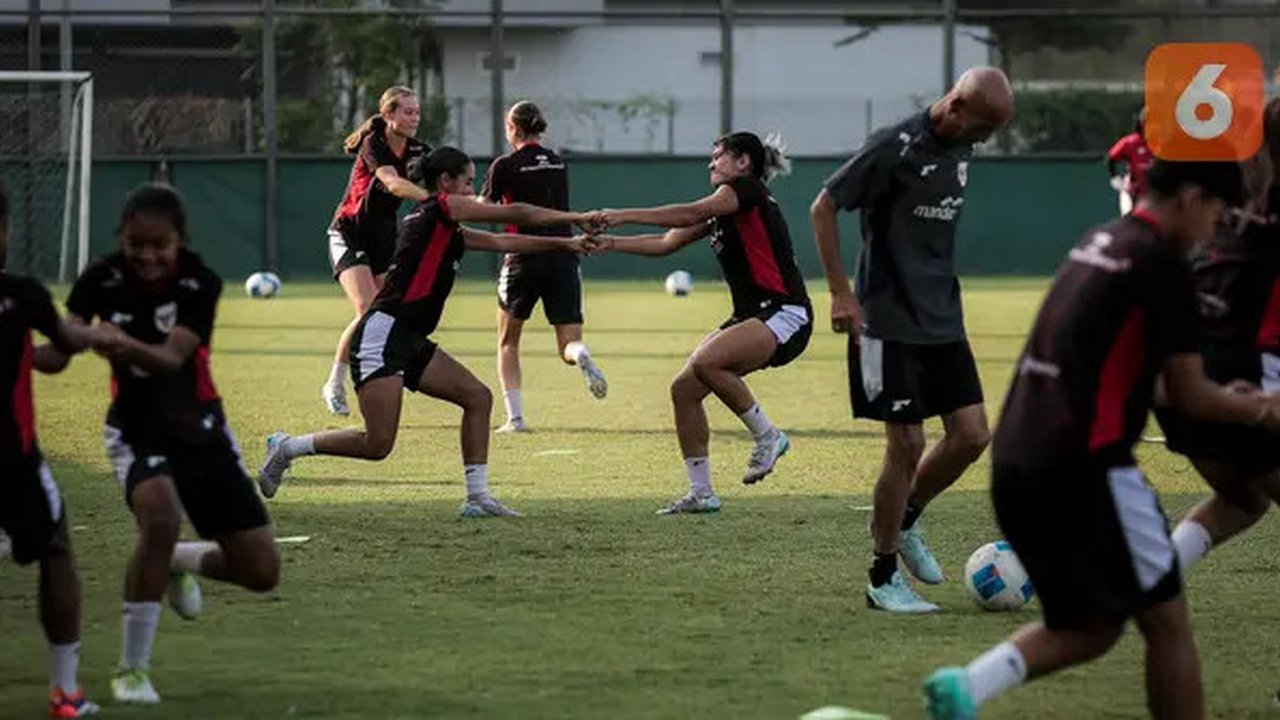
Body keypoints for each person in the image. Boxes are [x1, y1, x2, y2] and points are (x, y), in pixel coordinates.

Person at [922, 160, 1280, 720]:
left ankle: (967, 686)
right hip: (1087, 468)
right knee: (1167, 625)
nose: (1218, 229)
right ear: (1190, 197)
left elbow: (1153, 380)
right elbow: (1188, 396)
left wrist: (1224, 393)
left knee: (1090, 627)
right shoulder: (1162, 265)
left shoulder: (1101, 241)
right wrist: (1260, 407)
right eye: (1217, 212)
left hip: (1016, 459)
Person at [259, 147, 597, 517]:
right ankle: (287, 448)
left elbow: (504, 241)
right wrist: (575, 217)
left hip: (410, 338)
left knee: (478, 398)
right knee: (377, 444)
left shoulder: (445, 226)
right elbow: (515, 214)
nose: (473, 191)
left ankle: (477, 498)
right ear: (445, 183)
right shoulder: (439, 210)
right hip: (383, 336)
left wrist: (567, 243)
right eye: (468, 183)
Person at [54, 184, 281, 705]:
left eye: (159, 245)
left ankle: (180, 560)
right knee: (159, 515)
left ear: (180, 240)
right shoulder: (102, 277)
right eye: (136, 243)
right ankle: (131, 672)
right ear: (122, 239)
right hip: (136, 428)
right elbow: (62, 344)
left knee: (260, 571)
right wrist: (46, 335)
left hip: (200, 428)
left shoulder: (200, 282)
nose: (147, 256)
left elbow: (172, 358)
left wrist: (114, 340)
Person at [809, 67, 1014, 612]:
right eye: (984, 128)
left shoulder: (961, 144)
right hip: (884, 322)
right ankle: (881, 577)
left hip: (942, 316)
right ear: (955, 106)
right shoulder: (891, 147)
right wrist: (839, 294)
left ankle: (906, 520)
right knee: (907, 445)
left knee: (971, 436)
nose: (986, 141)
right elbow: (823, 206)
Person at [591, 131, 811, 514]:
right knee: (683, 390)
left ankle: (768, 436)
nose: (711, 163)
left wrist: (621, 215)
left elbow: (689, 212)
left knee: (707, 362)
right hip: (753, 315)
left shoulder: (745, 190)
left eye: (718, 156)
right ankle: (702, 492)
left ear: (743, 163)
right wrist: (613, 243)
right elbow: (665, 244)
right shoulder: (725, 207)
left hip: (784, 312)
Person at [1156, 98, 1280, 575]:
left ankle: (1155, 581)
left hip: (1175, 375)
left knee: (1244, 499)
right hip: (1235, 383)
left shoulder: (1227, 186)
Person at [0, 182, 105, 717]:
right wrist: (98, 333)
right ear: (5, 232)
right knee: (57, 547)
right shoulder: (20, 293)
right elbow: (63, 348)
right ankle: (64, 691)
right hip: (11, 461)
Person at [484, 100, 606, 433]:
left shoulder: (505, 165)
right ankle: (580, 353)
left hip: (522, 258)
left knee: (508, 341)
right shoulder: (557, 162)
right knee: (567, 342)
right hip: (564, 255)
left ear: (514, 128)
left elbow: (485, 209)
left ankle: (516, 418)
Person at [321, 85, 432, 417]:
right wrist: (433, 200)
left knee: (387, 316)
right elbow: (394, 183)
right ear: (388, 115)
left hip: (384, 238)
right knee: (367, 310)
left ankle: (386, 381)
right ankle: (334, 384)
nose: (414, 118)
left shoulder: (418, 150)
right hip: (349, 232)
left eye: (417, 112)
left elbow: (442, 176)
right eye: (407, 112)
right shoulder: (375, 143)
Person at [1107, 109, 1153, 216]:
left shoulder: (1163, 144)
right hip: (1133, 192)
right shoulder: (1130, 143)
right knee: (1129, 219)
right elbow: (1111, 158)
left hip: (1154, 194)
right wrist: (1114, 178)